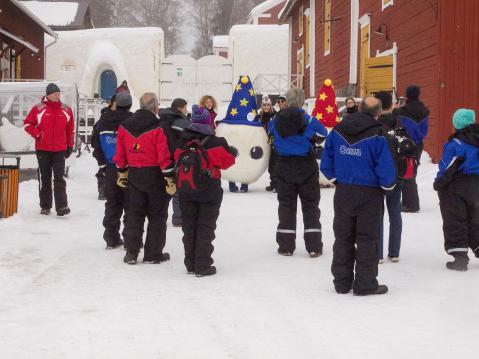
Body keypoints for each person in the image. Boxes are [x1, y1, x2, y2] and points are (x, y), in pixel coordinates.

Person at [321, 97, 397, 296]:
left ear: (359, 108)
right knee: (367, 239)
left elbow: (326, 163)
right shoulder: (379, 134)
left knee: (343, 237)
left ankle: (341, 282)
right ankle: (365, 283)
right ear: (378, 113)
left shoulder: (337, 130)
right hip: (369, 194)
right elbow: (386, 169)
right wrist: (387, 187)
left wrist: (338, 180)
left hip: (344, 192)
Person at [174, 105, 236, 277]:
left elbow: (176, 159)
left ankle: (190, 264)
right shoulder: (216, 142)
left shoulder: (182, 141)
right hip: (209, 191)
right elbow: (229, 162)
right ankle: (202, 265)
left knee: (189, 227)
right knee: (205, 227)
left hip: (186, 191)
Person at [114, 93, 175, 265]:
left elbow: (120, 153)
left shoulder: (124, 126)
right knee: (157, 214)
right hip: (155, 175)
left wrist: (122, 172)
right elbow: (164, 156)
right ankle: (153, 254)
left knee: (134, 213)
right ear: (155, 107)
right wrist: (169, 178)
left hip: (134, 175)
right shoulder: (158, 127)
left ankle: (131, 252)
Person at [268, 88, 327, 258]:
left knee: (286, 205)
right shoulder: (309, 119)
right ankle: (314, 246)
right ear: (302, 102)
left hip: (284, 165)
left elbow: (269, 132)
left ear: (286, 101)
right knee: (310, 206)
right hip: (306, 166)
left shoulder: (276, 119)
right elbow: (323, 133)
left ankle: (286, 246)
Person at [434, 109, 479, 271]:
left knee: (456, 219)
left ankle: (459, 257)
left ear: (456, 124)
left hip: (456, 185)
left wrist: (439, 182)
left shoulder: (456, 144)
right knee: (475, 218)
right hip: (476, 185)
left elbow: (449, 166)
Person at [23, 83, 74, 216]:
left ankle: (62, 206)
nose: (58, 95)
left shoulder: (66, 109)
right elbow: (27, 124)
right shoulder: (38, 109)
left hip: (59, 150)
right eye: (55, 93)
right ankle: (45, 206)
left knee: (59, 178)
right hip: (43, 150)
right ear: (48, 95)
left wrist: (70, 146)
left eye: (58, 93)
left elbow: (70, 130)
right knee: (45, 178)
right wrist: (38, 134)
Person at [92, 92, 133, 249]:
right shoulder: (132, 121)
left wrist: (102, 164)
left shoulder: (102, 122)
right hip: (130, 168)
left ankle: (111, 237)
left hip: (110, 167)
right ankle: (130, 238)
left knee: (112, 204)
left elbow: (95, 144)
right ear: (129, 105)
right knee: (131, 205)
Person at [375, 91, 402, 263]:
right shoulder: (400, 123)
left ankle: (377, 253)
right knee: (395, 212)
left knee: (378, 214)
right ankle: (394, 252)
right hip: (398, 173)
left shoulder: (374, 126)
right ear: (391, 104)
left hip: (379, 175)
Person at [393, 85, 430, 212]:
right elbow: (424, 131)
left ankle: (411, 205)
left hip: (406, 144)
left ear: (407, 95)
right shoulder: (424, 110)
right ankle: (410, 202)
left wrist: (396, 109)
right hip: (418, 144)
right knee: (411, 171)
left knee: (405, 171)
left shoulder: (403, 111)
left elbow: (395, 119)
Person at [159, 98, 191, 227]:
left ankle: (158, 216)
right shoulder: (180, 122)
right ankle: (178, 218)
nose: (186, 110)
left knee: (164, 189)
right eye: (185, 108)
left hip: (163, 158)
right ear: (179, 108)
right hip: (177, 158)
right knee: (178, 191)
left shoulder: (162, 120)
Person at [258, 95, 277, 192]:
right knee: (270, 165)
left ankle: (277, 184)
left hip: (273, 142)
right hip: (263, 143)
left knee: (275, 163)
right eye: (264, 105)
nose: (266, 107)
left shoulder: (275, 115)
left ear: (270, 105)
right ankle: (272, 183)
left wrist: (271, 140)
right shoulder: (259, 116)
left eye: (268, 105)